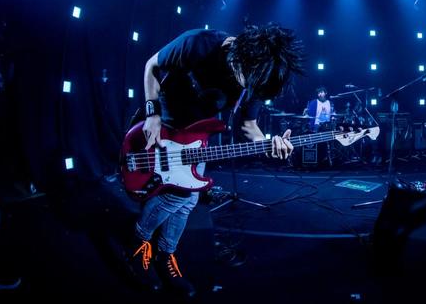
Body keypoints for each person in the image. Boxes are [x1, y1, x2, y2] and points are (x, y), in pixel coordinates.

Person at [128, 23, 304, 295]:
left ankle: (165, 254)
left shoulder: (258, 77)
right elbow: (152, 65)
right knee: (177, 197)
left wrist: (269, 145)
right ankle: (138, 243)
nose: (245, 87)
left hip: (197, 138)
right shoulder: (199, 43)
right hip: (164, 128)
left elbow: (249, 126)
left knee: (189, 200)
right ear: (240, 54)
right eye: (245, 78)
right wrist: (153, 115)